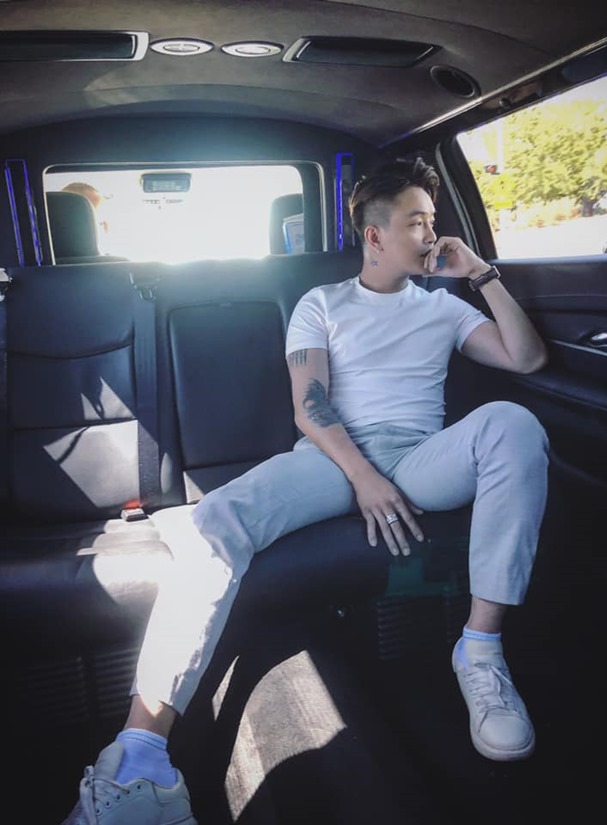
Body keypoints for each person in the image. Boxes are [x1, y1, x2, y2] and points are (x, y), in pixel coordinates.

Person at [62, 156, 549, 824]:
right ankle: (141, 757)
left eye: (432, 221)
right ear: (375, 236)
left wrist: (481, 274)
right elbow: (309, 405)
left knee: (514, 425)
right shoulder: (322, 304)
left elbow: (527, 358)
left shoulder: (444, 307)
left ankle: (481, 651)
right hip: (331, 455)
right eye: (417, 222)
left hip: (420, 456)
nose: (432, 235)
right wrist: (364, 477)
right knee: (217, 519)